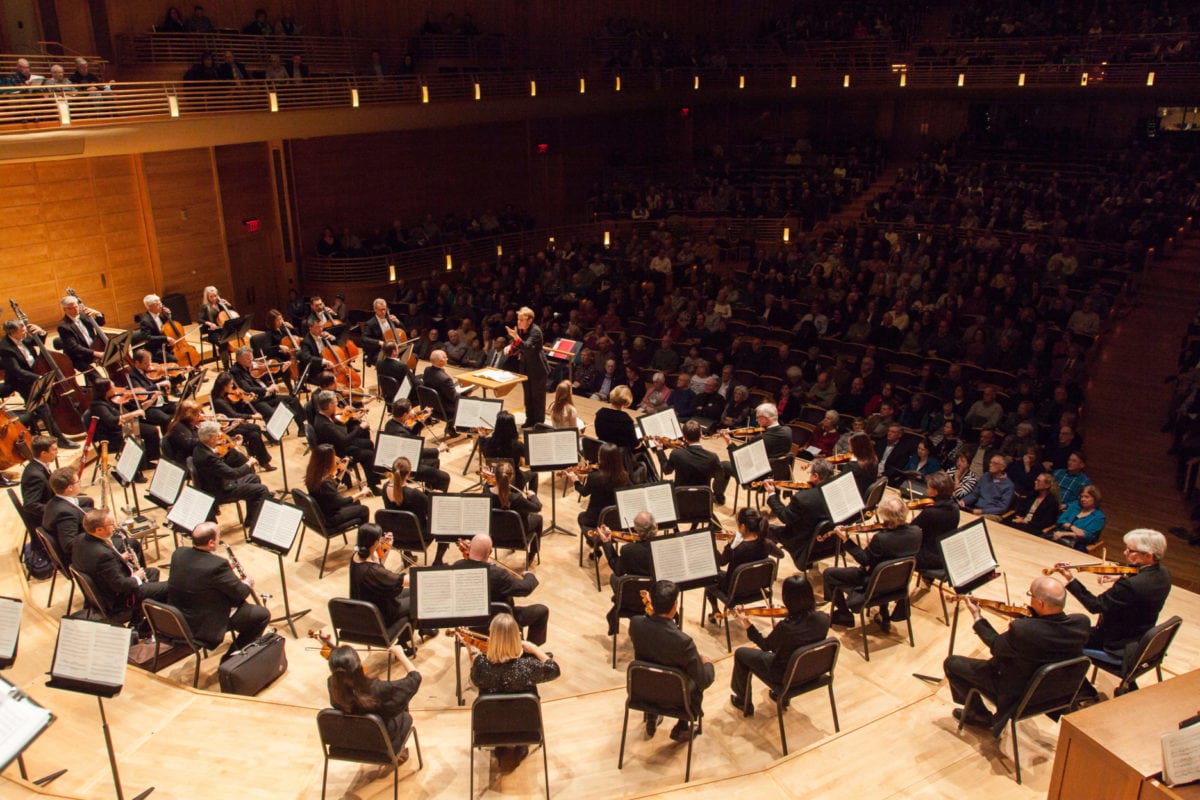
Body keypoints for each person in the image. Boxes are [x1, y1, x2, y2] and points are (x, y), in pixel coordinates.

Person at [943, 577, 1090, 730]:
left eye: (1031, 595)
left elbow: (996, 645)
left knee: (952, 663)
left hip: (1018, 695)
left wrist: (977, 616)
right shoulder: (1081, 623)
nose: (1029, 599)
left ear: (1040, 604)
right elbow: (1049, 633)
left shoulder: (1024, 631)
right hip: (1053, 696)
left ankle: (978, 715)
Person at [1052, 528, 1172, 670]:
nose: (1125, 553)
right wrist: (1119, 576)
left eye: (1131, 551)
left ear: (1149, 556)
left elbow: (1094, 605)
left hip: (1115, 643)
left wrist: (1070, 578)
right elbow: (1139, 583)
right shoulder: (1164, 574)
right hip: (1138, 637)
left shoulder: (1130, 585)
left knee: (1057, 639)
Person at [729, 574, 830, 717]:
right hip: (811, 671)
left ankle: (742, 701)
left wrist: (746, 622)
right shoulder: (824, 619)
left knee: (741, 654)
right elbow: (805, 636)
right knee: (788, 653)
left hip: (785, 677)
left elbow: (765, 645)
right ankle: (780, 697)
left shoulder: (786, 629)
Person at [467, 612, 560, 763]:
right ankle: (521, 745)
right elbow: (554, 669)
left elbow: (475, 673)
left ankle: (499, 746)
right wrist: (535, 648)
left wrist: (470, 648)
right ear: (517, 638)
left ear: (492, 638)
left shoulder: (482, 667)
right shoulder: (527, 667)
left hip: (489, 729)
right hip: (526, 727)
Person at [629, 579, 715, 742]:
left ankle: (651, 715)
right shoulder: (683, 642)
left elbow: (653, 638)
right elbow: (704, 680)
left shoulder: (635, 624)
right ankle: (682, 727)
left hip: (642, 691)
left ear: (652, 602)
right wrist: (708, 664)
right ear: (675, 606)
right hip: (675, 699)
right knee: (694, 675)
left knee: (655, 667)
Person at [168, 522, 269, 659]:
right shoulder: (217, 565)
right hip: (202, 625)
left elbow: (198, 574)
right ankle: (231, 658)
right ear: (211, 543)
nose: (219, 539)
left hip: (178, 616)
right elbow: (241, 593)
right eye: (218, 536)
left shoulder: (178, 553)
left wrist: (225, 573)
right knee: (261, 615)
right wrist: (246, 583)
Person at [822, 496, 922, 630]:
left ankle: (844, 613)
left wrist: (846, 540)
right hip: (898, 583)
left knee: (829, 574)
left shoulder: (881, 539)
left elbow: (864, 561)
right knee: (886, 566)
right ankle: (884, 613)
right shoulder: (916, 532)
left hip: (874, 584)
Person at [72, 508, 167, 630]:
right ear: (99, 530)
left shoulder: (80, 539)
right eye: (111, 524)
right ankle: (147, 627)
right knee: (167, 587)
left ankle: (137, 620)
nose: (115, 526)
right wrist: (136, 578)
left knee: (153, 572)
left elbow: (97, 564)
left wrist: (119, 558)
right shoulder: (103, 555)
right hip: (117, 600)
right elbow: (120, 585)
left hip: (103, 587)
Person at [327, 642, 420, 759]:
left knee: (396, 697)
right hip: (381, 742)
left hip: (350, 741)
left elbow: (340, 669)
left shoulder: (332, 686)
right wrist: (401, 654)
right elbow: (415, 678)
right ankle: (400, 751)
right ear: (359, 665)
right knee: (400, 701)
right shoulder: (378, 689)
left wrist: (327, 644)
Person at [455, 534, 549, 645]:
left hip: (468, 625)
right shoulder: (497, 574)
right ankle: (531, 653)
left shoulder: (456, 567)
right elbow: (524, 588)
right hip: (500, 623)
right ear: (490, 552)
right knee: (542, 611)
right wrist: (529, 576)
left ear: (470, 549)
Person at [0, 320, 77, 447]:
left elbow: (36, 341)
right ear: (12, 333)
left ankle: (39, 421)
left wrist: (41, 332)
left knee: (48, 403)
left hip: (34, 376)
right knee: (43, 407)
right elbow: (17, 371)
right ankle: (60, 440)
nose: (26, 332)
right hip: (20, 382)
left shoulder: (21, 338)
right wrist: (40, 378)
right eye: (22, 330)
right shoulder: (5, 348)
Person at [192, 421, 272, 531]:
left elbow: (218, 455)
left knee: (254, 478)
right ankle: (258, 524)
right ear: (210, 438)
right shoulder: (208, 457)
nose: (220, 436)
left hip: (215, 484)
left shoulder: (200, 448)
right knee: (262, 490)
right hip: (221, 491)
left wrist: (234, 444)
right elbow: (233, 474)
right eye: (217, 435)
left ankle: (252, 519)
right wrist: (249, 463)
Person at [704, 507, 781, 621]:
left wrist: (723, 545)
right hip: (758, 587)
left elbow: (721, 562)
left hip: (734, 590)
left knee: (709, 577)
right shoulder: (766, 543)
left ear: (743, 527)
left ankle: (715, 611)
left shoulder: (736, 549)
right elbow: (781, 554)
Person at [349, 524, 416, 651]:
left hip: (367, 605)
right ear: (375, 542)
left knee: (412, 592)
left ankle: (423, 629)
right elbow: (404, 581)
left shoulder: (356, 556)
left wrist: (386, 548)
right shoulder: (373, 571)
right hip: (380, 613)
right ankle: (404, 645)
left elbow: (379, 566)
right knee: (417, 599)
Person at [714, 403, 792, 505]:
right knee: (775, 461)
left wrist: (728, 441)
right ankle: (776, 496)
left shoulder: (760, 439)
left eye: (758, 418)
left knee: (724, 465)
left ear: (766, 418)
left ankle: (718, 497)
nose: (757, 420)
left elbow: (739, 459)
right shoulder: (788, 431)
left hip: (758, 479)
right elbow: (773, 439)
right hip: (778, 476)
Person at [763, 458, 835, 570]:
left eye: (810, 474)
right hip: (829, 544)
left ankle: (764, 562)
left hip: (801, 542)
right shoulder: (836, 492)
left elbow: (784, 517)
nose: (808, 477)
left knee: (766, 528)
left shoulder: (802, 498)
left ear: (815, 476)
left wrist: (772, 495)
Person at [594, 511, 656, 634]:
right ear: (657, 526)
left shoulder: (629, 550)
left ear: (637, 531)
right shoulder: (664, 547)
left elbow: (617, 568)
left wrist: (607, 542)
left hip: (633, 599)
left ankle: (619, 604)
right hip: (657, 600)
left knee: (614, 578)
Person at [89, 379, 161, 477]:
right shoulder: (98, 406)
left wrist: (152, 400)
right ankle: (134, 472)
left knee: (151, 431)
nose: (116, 389)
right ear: (105, 390)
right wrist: (134, 414)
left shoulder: (111, 399)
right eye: (112, 387)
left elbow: (138, 409)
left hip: (121, 428)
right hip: (110, 436)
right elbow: (113, 421)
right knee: (133, 439)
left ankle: (147, 461)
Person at [313, 390, 381, 493]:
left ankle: (374, 472)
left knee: (368, 443)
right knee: (369, 455)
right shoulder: (325, 425)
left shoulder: (323, 416)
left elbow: (341, 427)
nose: (337, 405)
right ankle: (373, 486)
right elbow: (344, 441)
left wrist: (353, 417)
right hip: (337, 454)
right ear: (329, 405)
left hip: (337, 445)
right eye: (335, 403)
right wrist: (360, 428)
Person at [382, 400, 451, 491]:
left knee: (434, 461)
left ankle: (428, 493)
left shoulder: (391, 423)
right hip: (406, 466)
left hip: (403, 458)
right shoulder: (400, 432)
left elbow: (410, 434)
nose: (413, 412)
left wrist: (423, 420)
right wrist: (438, 449)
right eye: (410, 410)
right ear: (404, 415)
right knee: (444, 478)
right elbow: (417, 451)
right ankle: (433, 500)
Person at [208, 374, 275, 468]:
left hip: (235, 422)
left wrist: (245, 401)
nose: (232, 386)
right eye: (230, 384)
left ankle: (258, 459)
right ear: (224, 386)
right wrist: (252, 416)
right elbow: (233, 415)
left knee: (254, 434)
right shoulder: (219, 401)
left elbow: (236, 410)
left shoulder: (225, 395)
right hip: (228, 428)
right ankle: (262, 461)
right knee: (255, 429)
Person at [382, 456, 439, 564]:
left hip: (396, 536)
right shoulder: (414, 494)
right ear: (408, 474)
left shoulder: (384, 488)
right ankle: (438, 561)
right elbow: (433, 510)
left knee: (403, 521)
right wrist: (435, 496)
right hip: (417, 537)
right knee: (446, 524)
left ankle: (406, 555)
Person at [571, 442, 630, 545]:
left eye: (599, 456)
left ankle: (594, 542)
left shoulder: (595, 477)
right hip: (616, 521)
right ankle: (601, 542)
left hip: (595, 519)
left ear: (602, 459)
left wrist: (575, 481)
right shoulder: (625, 477)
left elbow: (584, 492)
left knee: (581, 517)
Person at [229, 345, 304, 424]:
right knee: (272, 413)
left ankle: (301, 427)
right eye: (248, 359)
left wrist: (281, 370)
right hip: (255, 401)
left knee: (293, 400)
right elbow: (246, 388)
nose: (251, 361)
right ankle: (272, 435)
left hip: (267, 396)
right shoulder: (235, 371)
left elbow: (269, 375)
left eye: (252, 358)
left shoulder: (253, 366)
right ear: (239, 359)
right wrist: (266, 389)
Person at [487, 462, 543, 566]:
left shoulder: (486, 493)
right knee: (538, 519)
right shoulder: (516, 498)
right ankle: (532, 553)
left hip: (494, 536)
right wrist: (533, 496)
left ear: (495, 476)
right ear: (511, 478)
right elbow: (537, 507)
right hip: (518, 537)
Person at [306, 443, 370, 529]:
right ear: (327, 461)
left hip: (323, 509)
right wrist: (362, 493)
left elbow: (331, 488)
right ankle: (364, 539)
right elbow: (341, 502)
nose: (335, 458)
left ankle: (362, 532)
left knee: (356, 502)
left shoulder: (313, 474)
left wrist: (343, 468)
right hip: (330, 518)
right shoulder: (324, 483)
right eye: (333, 456)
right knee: (364, 510)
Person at [42, 467, 95, 567]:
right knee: (130, 543)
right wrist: (95, 534)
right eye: (78, 482)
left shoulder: (52, 502)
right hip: (78, 558)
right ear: (69, 488)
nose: (79, 483)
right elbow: (69, 545)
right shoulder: (66, 513)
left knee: (89, 503)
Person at [505, 306, 548, 427]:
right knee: (528, 396)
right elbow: (518, 345)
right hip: (526, 367)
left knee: (537, 398)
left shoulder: (536, 331)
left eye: (521, 320)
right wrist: (511, 347)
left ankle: (539, 423)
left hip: (538, 369)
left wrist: (516, 339)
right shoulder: (520, 331)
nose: (518, 322)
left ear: (529, 320)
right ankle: (530, 419)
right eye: (518, 319)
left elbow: (528, 346)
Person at [912, 471, 961, 573]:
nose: (927, 489)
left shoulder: (931, 512)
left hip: (929, 558)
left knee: (900, 548)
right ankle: (926, 582)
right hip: (946, 554)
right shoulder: (955, 508)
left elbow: (911, 529)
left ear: (935, 492)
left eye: (929, 487)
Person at [655, 419, 721, 491]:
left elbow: (667, 471)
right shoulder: (712, 457)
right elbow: (719, 476)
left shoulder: (677, 454)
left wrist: (659, 448)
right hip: (703, 499)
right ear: (701, 435)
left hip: (680, 497)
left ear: (684, 437)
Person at [480, 411, 536, 493]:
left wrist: (482, 437)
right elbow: (529, 457)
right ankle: (531, 498)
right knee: (534, 474)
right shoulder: (517, 445)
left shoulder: (488, 443)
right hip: (514, 482)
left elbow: (485, 454)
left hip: (495, 480)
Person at [126, 348, 177, 431]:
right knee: (167, 419)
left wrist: (177, 377)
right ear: (137, 363)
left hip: (162, 402)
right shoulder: (132, 377)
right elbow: (141, 392)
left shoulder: (148, 370)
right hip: (150, 407)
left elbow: (163, 381)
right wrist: (157, 385)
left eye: (150, 361)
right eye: (146, 363)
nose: (149, 365)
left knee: (181, 408)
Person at [422, 349, 469, 436]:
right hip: (444, 408)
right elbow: (454, 398)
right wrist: (465, 393)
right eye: (445, 357)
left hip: (432, 404)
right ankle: (463, 428)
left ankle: (452, 427)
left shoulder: (427, 370)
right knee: (470, 400)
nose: (447, 359)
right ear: (440, 362)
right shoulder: (445, 379)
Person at [57, 295, 105, 374]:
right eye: (71, 308)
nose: (75, 310)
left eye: (76, 306)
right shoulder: (63, 326)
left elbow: (100, 323)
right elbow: (74, 347)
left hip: (93, 349)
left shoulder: (84, 316)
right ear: (65, 310)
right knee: (96, 376)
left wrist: (97, 313)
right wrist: (95, 353)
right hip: (78, 356)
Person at [1051, 484, 1106, 550]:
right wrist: (1072, 527)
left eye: (1086, 497)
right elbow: (1060, 520)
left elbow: (1087, 535)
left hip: (1077, 545)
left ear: (1095, 499)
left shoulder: (1099, 517)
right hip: (1057, 534)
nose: (1083, 499)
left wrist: (1064, 533)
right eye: (1081, 496)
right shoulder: (1075, 506)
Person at [20, 435, 59, 523]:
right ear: (43, 454)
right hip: (44, 519)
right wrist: (57, 510)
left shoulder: (39, 465)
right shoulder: (35, 476)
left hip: (52, 504)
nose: (57, 452)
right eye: (54, 450)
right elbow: (30, 505)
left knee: (87, 501)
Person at [362, 298, 405, 366]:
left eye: (384, 309)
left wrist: (398, 322)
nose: (383, 312)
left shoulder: (390, 319)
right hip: (378, 351)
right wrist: (379, 342)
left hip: (394, 349)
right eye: (381, 310)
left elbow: (403, 331)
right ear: (375, 309)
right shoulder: (370, 323)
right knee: (390, 363)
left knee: (412, 357)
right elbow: (364, 339)